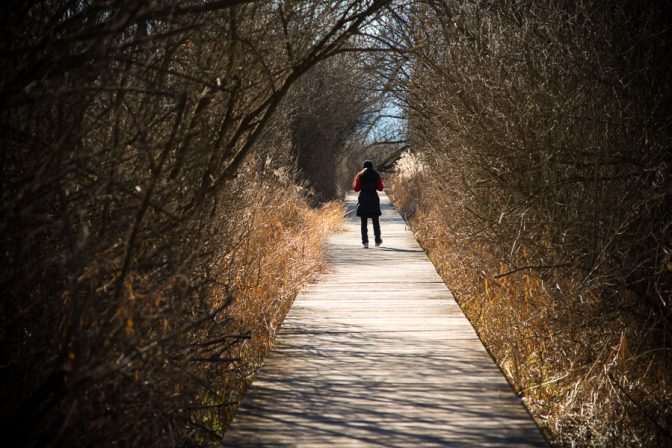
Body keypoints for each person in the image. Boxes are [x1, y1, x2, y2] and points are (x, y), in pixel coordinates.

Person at [353, 160, 383, 248]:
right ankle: (377, 240)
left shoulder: (360, 175)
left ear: (363, 166)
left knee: (364, 222)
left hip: (363, 199)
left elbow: (356, 189)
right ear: (372, 166)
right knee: (375, 221)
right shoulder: (376, 175)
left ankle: (365, 242)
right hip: (373, 199)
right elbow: (380, 188)